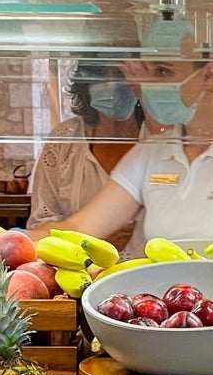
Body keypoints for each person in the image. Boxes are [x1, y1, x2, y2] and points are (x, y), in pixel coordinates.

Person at [27, 18, 213, 245]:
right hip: (164, 304)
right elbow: (80, 228)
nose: (147, 84)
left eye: (163, 72)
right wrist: (9, 241)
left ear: (209, 74)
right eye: (148, 70)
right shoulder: (149, 154)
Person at [27, 62, 151, 245]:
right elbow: (41, 221)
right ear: (86, 86)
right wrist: (93, 240)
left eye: (120, 80)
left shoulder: (156, 140)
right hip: (78, 260)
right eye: (102, 80)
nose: (113, 89)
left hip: (153, 260)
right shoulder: (65, 142)